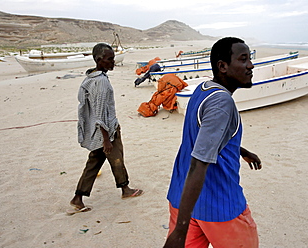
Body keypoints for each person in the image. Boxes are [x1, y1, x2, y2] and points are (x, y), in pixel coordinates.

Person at [164, 37, 262, 247]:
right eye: (243, 59)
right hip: (219, 206)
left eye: (250, 59)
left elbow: (205, 137)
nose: (251, 65)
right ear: (223, 66)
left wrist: (239, 150)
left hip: (184, 200)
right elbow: (199, 162)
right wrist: (180, 232)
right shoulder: (222, 102)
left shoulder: (203, 90)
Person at [69, 43, 143, 214]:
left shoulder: (90, 78)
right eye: (109, 59)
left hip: (99, 132)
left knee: (93, 163)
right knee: (116, 158)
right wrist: (106, 139)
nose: (113, 62)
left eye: (113, 59)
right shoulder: (100, 82)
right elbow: (100, 112)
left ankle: (78, 197)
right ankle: (125, 189)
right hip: (107, 131)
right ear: (98, 60)